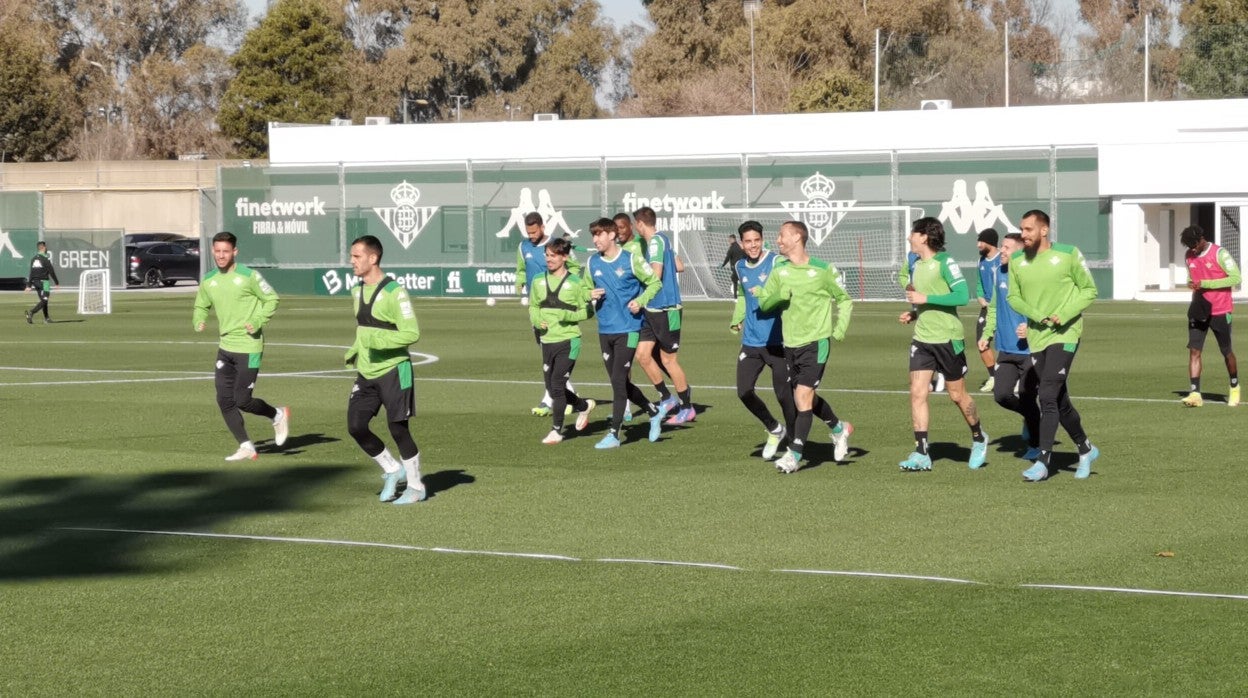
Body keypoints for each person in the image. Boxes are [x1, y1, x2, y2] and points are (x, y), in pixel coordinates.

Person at [754, 220, 854, 474]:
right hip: (790, 345)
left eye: (782, 235)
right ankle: (839, 429)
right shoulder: (779, 270)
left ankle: (794, 454)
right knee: (806, 396)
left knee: (801, 396)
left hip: (816, 343)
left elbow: (844, 299)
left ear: (797, 238)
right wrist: (778, 296)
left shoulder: (823, 269)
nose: (778, 240)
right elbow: (764, 303)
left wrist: (840, 328)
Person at [1007, 209, 1099, 482]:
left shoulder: (1069, 253)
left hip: (1066, 334)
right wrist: (1037, 316)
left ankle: (1043, 460)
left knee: (1046, 395)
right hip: (1037, 336)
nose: (1023, 234)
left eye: (1028, 229)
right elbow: (1013, 297)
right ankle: (1085, 448)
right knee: (1059, 400)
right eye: (1022, 229)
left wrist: (1065, 314)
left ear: (1044, 230)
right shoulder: (1017, 260)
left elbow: (1089, 290)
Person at [898, 217, 989, 472]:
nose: (909, 237)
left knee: (957, 395)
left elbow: (962, 296)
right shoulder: (915, 262)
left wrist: (924, 298)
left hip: (948, 339)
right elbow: (922, 298)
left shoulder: (945, 262)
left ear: (924, 236)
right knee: (917, 393)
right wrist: (915, 312)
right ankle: (921, 453)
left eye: (913, 233)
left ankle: (979, 437)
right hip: (922, 339)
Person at [192, 231, 289, 462]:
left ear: (235, 252)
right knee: (224, 399)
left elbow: (272, 299)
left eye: (226, 251)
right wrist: (198, 319)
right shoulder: (209, 280)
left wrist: (257, 321)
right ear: (212, 251)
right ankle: (246, 446)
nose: (221, 255)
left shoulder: (249, 276)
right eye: (217, 251)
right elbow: (201, 305)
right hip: (225, 347)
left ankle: (277, 415)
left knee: (242, 400)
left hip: (249, 347)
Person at [344, 235, 427, 504]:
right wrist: (356, 348)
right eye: (351, 256)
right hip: (367, 372)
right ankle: (392, 469)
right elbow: (364, 327)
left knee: (398, 429)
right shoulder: (356, 290)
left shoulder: (395, 292)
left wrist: (379, 341)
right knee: (356, 426)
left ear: (373, 258)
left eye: (356, 256)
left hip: (394, 370)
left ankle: (416, 487)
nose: (351, 261)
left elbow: (411, 333)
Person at [587, 217, 662, 449]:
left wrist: (640, 301)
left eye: (599, 234)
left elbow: (654, 283)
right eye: (593, 235)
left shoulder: (631, 259)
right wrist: (588, 294)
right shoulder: (592, 262)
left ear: (611, 235)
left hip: (629, 329)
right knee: (619, 382)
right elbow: (584, 289)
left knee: (619, 380)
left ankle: (614, 434)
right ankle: (652, 411)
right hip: (605, 330)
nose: (595, 240)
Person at [730, 221, 795, 461]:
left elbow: (787, 291)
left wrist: (767, 296)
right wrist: (737, 318)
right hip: (751, 341)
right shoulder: (739, 266)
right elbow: (742, 295)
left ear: (762, 240)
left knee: (784, 396)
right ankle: (775, 429)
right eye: (748, 241)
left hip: (778, 342)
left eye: (756, 240)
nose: (753, 245)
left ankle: (794, 444)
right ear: (741, 244)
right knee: (744, 391)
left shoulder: (776, 262)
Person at [633, 206, 694, 436]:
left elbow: (656, 274)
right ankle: (667, 398)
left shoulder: (655, 243)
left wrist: (637, 273)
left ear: (640, 224)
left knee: (668, 360)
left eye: (636, 224)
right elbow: (679, 266)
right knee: (643, 355)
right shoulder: (663, 240)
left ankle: (686, 407)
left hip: (667, 309)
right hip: (652, 307)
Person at [529, 237, 597, 444]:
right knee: (552, 389)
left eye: (553, 256)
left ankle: (556, 431)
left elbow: (588, 312)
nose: (549, 259)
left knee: (557, 385)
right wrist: (537, 320)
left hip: (569, 340)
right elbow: (533, 306)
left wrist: (568, 316)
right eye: (547, 255)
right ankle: (584, 406)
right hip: (547, 341)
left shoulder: (575, 283)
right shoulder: (538, 280)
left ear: (565, 257)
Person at [980, 233, 1041, 459]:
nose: (1002, 251)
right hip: (1005, 349)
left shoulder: (1031, 275)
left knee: (1027, 397)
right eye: (1002, 247)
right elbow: (994, 307)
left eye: (1006, 248)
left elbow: (1043, 306)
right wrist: (987, 333)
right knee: (1002, 395)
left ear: (1019, 251)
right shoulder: (998, 272)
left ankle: (1036, 445)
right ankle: (1032, 417)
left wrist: (1031, 328)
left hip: (1030, 350)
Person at [515, 211, 582, 417]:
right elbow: (521, 268)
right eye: (528, 232)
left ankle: (550, 398)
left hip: (557, 307)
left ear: (543, 227)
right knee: (547, 355)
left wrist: (566, 284)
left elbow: (575, 267)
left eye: (534, 232)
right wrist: (519, 281)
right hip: (538, 308)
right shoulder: (523, 246)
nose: (531, 236)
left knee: (554, 358)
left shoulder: (556, 246)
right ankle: (566, 395)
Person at [1180, 224, 1240, 407]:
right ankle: (1195, 393)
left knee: (1226, 351)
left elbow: (1236, 278)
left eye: (1193, 245)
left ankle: (1234, 386)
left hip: (1220, 309)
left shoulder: (1220, 253)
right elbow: (1191, 277)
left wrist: (1206, 283)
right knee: (1194, 351)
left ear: (1201, 240)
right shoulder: (1189, 255)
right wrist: (1191, 283)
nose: (1192, 249)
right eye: (1189, 246)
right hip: (1198, 309)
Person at [975, 228, 1000, 391]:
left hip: (1003, 308)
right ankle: (994, 377)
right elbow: (979, 283)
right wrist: (980, 297)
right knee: (981, 343)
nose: (978, 245)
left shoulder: (1003, 259)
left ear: (990, 242)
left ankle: (1018, 377)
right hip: (987, 308)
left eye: (981, 241)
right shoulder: (981, 261)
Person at [24, 241, 59, 324]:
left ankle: (47, 318)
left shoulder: (33, 259)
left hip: (35, 283)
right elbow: (51, 271)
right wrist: (56, 282)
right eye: (46, 247)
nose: (47, 248)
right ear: (43, 248)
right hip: (44, 282)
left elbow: (31, 272)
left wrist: (29, 285)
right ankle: (31, 312)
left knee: (43, 301)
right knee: (45, 300)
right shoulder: (45, 259)